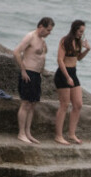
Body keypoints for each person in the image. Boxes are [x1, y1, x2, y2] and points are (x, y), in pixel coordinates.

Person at [13, 17, 54, 145]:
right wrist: (23, 71)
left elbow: (41, 57)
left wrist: (42, 72)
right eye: (48, 30)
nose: (49, 33)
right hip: (28, 73)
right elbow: (16, 52)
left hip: (37, 75)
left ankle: (28, 132)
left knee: (33, 104)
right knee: (25, 103)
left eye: (50, 30)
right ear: (41, 26)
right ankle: (21, 133)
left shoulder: (42, 40)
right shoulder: (30, 36)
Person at [54, 20, 91, 145]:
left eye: (83, 32)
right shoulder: (65, 40)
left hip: (73, 73)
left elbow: (78, 58)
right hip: (63, 73)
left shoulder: (79, 42)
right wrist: (67, 76)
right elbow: (60, 60)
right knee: (64, 104)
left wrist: (87, 50)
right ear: (74, 29)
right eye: (80, 31)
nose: (82, 34)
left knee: (78, 104)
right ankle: (58, 136)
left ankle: (71, 134)